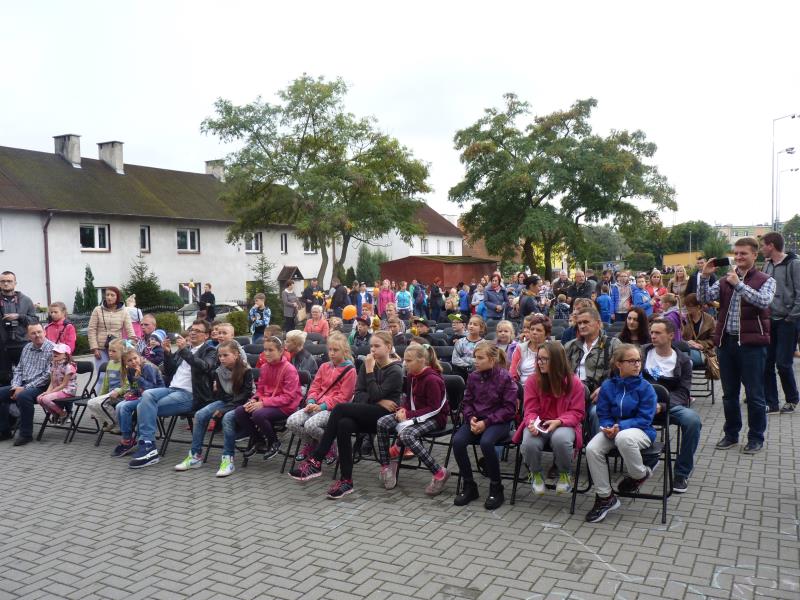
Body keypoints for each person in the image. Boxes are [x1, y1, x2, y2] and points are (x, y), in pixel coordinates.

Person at [289, 331, 403, 499]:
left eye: (377, 346)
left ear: (388, 347)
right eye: (371, 346)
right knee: (343, 424)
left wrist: (370, 375)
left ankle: (317, 459)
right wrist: (379, 400)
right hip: (367, 411)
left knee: (340, 409)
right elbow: (359, 394)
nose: (372, 350)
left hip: (384, 418)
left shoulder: (395, 370)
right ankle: (346, 480)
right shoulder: (367, 365)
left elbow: (375, 394)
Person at [699, 238, 775, 454]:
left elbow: (763, 301)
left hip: (752, 345)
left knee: (754, 394)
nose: (739, 257)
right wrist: (705, 276)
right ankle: (731, 434)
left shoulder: (766, 280)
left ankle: (756, 438)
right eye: (736, 253)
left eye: (744, 253)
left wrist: (739, 285)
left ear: (755, 255)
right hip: (726, 343)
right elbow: (704, 298)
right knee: (729, 394)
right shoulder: (726, 279)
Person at [127, 319, 218, 468]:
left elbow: (205, 367)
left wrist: (184, 351)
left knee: (143, 407)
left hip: (190, 395)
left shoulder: (210, 351)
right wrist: (168, 353)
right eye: (191, 330)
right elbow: (169, 371)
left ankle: (147, 446)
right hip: (172, 389)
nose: (193, 333)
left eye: (197, 331)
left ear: (206, 335)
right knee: (147, 395)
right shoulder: (185, 349)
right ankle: (148, 445)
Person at [584, 343, 657, 523]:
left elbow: (645, 418)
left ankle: (640, 474)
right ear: (619, 364)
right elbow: (603, 412)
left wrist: (620, 427)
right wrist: (608, 427)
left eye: (638, 360)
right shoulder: (608, 386)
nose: (637, 364)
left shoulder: (646, 387)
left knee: (624, 438)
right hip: (614, 431)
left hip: (641, 431)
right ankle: (605, 497)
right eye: (631, 361)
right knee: (592, 448)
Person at [376, 343, 449, 495]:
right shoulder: (411, 376)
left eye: (409, 361)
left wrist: (408, 415)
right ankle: (386, 466)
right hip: (415, 415)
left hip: (435, 419)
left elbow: (434, 409)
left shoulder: (432, 379)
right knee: (382, 422)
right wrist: (403, 409)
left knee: (407, 435)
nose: (405, 363)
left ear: (422, 360)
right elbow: (408, 399)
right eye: (405, 360)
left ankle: (439, 473)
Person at [452, 341, 518, 509]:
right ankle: (469, 485)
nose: (476, 361)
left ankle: (496, 487)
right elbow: (467, 402)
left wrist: (486, 422)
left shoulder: (505, 377)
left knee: (486, 442)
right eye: (475, 357)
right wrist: (470, 418)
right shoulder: (474, 376)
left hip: (499, 422)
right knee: (458, 441)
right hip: (477, 420)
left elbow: (509, 409)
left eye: (480, 358)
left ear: (492, 360)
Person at [175, 340, 256, 476]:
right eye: (220, 356)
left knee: (227, 418)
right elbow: (222, 396)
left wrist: (224, 410)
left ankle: (228, 459)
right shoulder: (219, 371)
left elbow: (245, 395)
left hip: (243, 403)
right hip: (226, 401)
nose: (222, 359)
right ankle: (195, 456)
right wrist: (217, 392)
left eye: (225, 355)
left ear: (236, 355)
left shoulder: (245, 370)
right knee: (200, 415)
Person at [514, 341, 585, 495]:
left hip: (564, 423)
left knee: (561, 440)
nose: (540, 362)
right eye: (538, 358)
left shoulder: (574, 382)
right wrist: (532, 423)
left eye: (545, 359)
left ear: (557, 360)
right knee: (529, 442)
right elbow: (530, 409)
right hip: (540, 422)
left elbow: (577, 412)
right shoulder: (533, 381)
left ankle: (564, 473)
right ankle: (536, 474)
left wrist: (559, 421)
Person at [642, 319, 701, 494]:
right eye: (652, 332)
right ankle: (646, 460)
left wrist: (662, 406)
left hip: (669, 405)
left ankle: (682, 473)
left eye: (658, 333)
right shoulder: (642, 352)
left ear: (671, 335)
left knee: (693, 421)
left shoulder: (683, 361)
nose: (653, 336)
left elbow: (683, 393)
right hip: (641, 404)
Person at [285, 332, 356, 463]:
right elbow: (314, 387)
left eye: (336, 350)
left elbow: (343, 397)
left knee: (310, 425)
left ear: (345, 351)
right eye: (330, 349)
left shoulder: (349, 370)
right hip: (316, 404)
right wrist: (311, 401)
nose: (332, 353)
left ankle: (329, 445)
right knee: (291, 422)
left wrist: (322, 406)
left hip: (333, 409)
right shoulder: (324, 366)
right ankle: (313, 444)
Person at [235, 337, 301, 462]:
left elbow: (288, 397)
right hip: (267, 403)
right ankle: (258, 440)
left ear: (280, 351)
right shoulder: (265, 367)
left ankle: (274, 442)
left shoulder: (289, 369)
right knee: (240, 411)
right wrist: (254, 400)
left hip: (285, 406)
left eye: (271, 350)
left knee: (258, 414)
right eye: (265, 350)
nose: (267, 353)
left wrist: (263, 403)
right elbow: (260, 390)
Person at [564, 307, 621, 439]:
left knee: (597, 412)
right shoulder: (570, 346)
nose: (582, 326)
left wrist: (605, 388)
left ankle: (596, 448)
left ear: (598, 323)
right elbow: (560, 373)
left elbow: (622, 374)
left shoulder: (612, 344)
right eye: (579, 323)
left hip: (598, 396)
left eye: (586, 322)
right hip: (572, 395)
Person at [760, 232, 800, 413]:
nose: (761, 249)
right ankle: (772, 402)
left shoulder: (794, 264)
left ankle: (792, 399)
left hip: (787, 321)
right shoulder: (767, 264)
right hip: (769, 320)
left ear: (771, 245)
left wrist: (791, 317)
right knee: (767, 363)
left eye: (763, 245)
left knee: (783, 363)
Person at [0, 322, 54, 445]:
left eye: (39, 332)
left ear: (45, 332)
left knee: (23, 396)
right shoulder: (26, 348)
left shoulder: (52, 349)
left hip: (43, 387)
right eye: (33, 333)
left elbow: (47, 376)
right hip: (23, 384)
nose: (37, 335)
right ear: (28, 336)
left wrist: (23, 388)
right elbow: (19, 369)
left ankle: (26, 434)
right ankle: (4, 431)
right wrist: (15, 386)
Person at [111, 347, 165, 457]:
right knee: (119, 406)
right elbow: (135, 387)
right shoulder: (130, 370)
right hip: (141, 395)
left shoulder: (148, 367)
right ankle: (127, 437)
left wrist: (139, 377)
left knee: (125, 407)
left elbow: (151, 388)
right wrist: (131, 393)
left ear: (139, 357)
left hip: (155, 397)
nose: (133, 362)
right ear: (125, 363)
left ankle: (127, 441)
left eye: (135, 358)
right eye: (129, 360)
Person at [87, 287, 136, 392]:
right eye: (107, 295)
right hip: (100, 348)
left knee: (118, 374)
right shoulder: (97, 310)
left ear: (117, 297)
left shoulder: (124, 311)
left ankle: (117, 396)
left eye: (112, 295)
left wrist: (131, 345)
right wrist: (94, 348)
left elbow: (130, 331)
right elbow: (91, 329)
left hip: (117, 348)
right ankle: (100, 398)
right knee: (102, 376)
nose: (109, 297)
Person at [0, 271, 38, 385]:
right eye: (3, 281)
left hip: (22, 344)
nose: (6, 283)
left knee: (25, 377)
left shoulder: (25, 300)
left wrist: (19, 317)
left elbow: (35, 320)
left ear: (15, 283)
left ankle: (22, 396)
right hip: (2, 345)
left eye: (9, 281)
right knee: (3, 378)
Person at [86, 339, 130, 431]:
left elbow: (128, 384)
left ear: (122, 352)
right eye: (109, 350)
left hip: (120, 394)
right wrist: (101, 395)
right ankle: (107, 422)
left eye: (114, 351)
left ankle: (116, 423)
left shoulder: (124, 365)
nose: (110, 353)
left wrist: (119, 391)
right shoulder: (110, 363)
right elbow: (106, 382)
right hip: (109, 394)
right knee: (91, 403)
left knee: (101, 404)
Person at [35, 343, 77, 425]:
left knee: (45, 399)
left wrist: (50, 393)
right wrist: (47, 392)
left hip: (67, 391)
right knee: (39, 398)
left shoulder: (69, 366)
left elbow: (64, 384)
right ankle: (56, 414)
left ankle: (63, 414)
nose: (55, 354)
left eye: (58, 352)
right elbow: (52, 382)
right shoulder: (53, 365)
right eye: (54, 352)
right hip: (57, 390)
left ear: (65, 355)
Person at [510, 314, 551, 385]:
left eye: (538, 330)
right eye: (532, 329)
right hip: (522, 387)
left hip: (544, 386)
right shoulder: (520, 348)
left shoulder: (551, 349)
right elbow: (512, 374)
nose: (534, 332)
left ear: (546, 334)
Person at [681, 293, 716, 368]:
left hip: (703, 352)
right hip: (685, 350)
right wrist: (686, 343)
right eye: (686, 306)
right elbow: (677, 337)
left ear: (698, 307)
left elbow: (714, 339)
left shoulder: (709, 319)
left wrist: (701, 344)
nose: (687, 308)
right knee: (681, 357)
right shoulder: (683, 318)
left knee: (684, 359)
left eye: (690, 306)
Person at [452, 315, 486, 381]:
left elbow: (482, 361)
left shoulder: (484, 344)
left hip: (478, 373)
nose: (471, 326)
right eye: (470, 324)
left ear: (481, 328)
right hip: (461, 372)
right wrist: (469, 365)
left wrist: (464, 359)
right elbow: (455, 359)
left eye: (475, 324)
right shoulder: (460, 342)